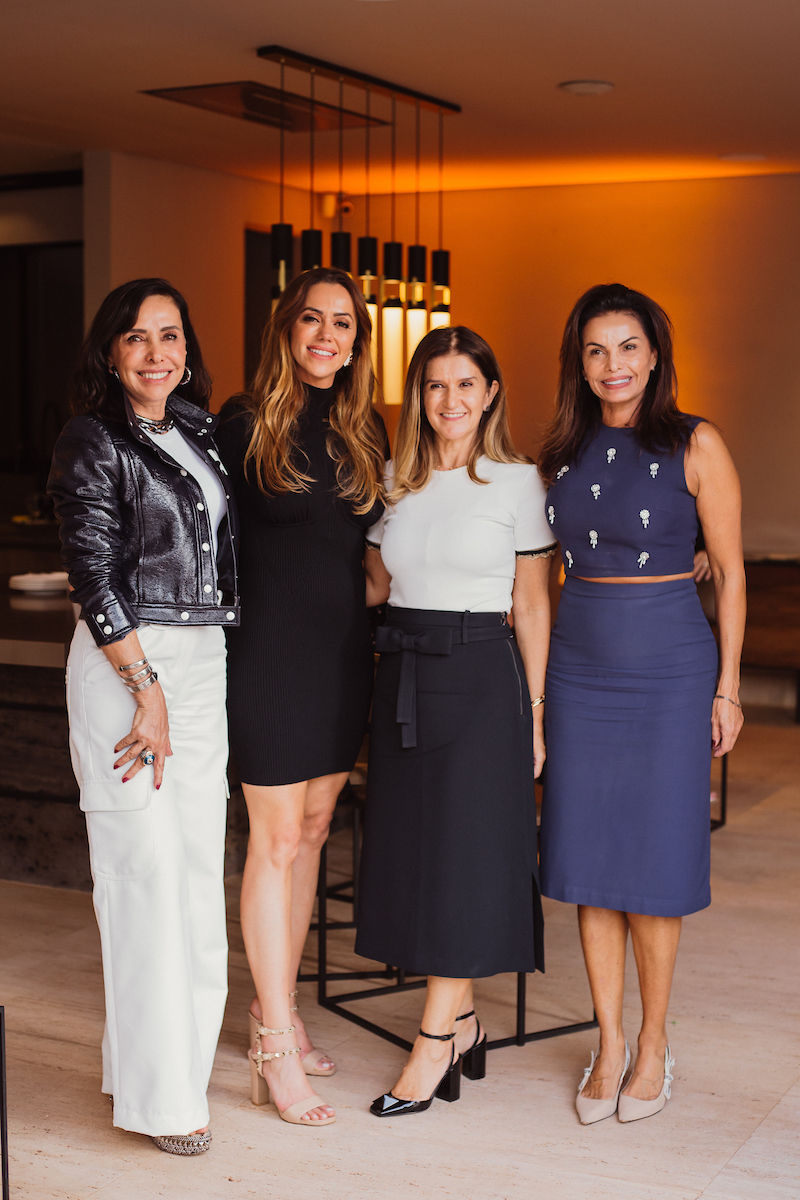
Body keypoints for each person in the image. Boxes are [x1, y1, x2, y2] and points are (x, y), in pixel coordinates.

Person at [538, 283, 745, 1124]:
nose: (612, 365)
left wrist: (728, 685)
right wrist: (542, 693)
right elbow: (543, 579)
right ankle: (609, 1041)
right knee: (590, 859)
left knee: (655, 867)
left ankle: (655, 1042)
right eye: (596, 350)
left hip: (669, 671)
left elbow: (729, 572)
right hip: (580, 667)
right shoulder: (558, 453)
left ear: (654, 355)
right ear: (579, 365)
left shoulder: (698, 443)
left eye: (627, 347)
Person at [47, 278, 239, 1154]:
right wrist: (145, 686)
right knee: (144, 874)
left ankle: (163, 1077)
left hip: (203, 663)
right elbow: (92, 574)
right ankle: (167, 1107)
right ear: (111, 353)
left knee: (197, 877)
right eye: (137, 338)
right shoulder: (93, 439)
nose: (157, 353)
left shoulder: (196, 429)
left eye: (170, 335)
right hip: (131, 665)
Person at [356, 326, 555, 1118]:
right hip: (401, 668)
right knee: (420, 852)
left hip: (482, 676)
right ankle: (465, 1022)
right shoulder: (393, 480)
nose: (450, 401)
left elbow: (534, 604)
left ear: (492, 392)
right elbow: (373, 584)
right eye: (435, 385)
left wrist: (535, 716)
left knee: (467, 855)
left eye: (466, 384)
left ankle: (433, 1040)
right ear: (419, 395)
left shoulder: (517, 481)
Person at [215, 267, 387, 1127]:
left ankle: (273, 1008)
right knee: (274, 841)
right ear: (286, 329)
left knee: (316, 832)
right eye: (312, 320)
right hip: (269, 658)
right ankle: (275, 1046)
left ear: (359, 341)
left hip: (342, 657)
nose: (328, 336)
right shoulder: (245, 423)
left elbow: (375, 556)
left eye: (344, 324)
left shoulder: (365, 430)